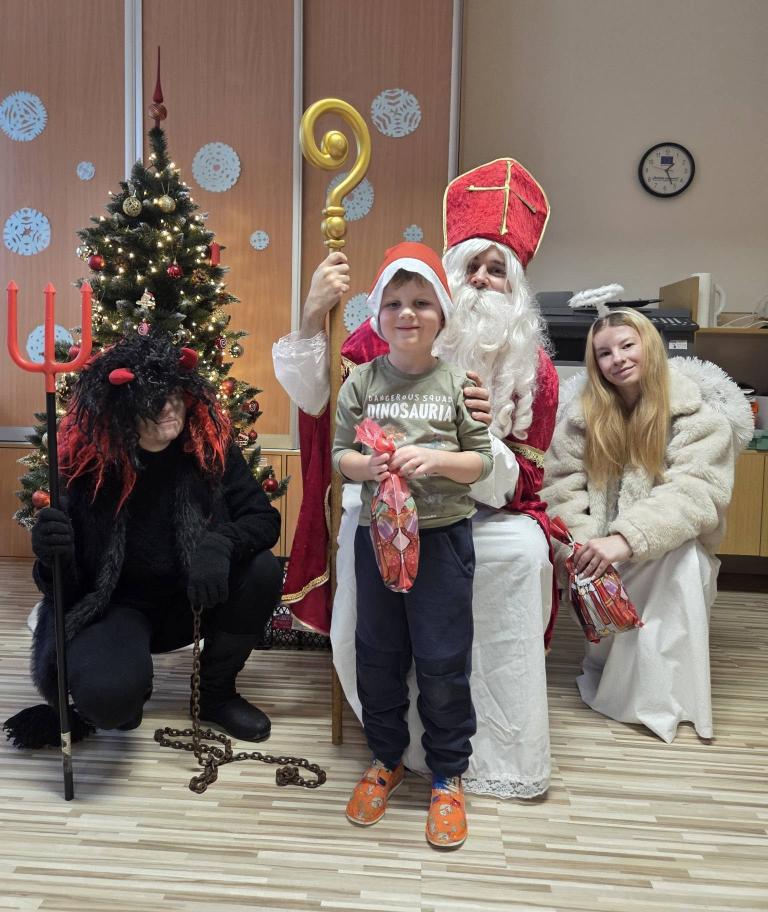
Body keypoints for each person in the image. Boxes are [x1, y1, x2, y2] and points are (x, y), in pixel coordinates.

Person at [273, 157, 560, 799]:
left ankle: (465, 762)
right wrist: (312, 314)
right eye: (473, 265)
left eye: (497, 270)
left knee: (466, 628)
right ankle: (387, 753)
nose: (482, 279)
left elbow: (518, 475)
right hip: (385, 517)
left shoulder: (532, 369)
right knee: (379, 647)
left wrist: (463, 448)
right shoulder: (381, 345)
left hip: (472, 517)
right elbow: (320, 407)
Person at [4, 334, 283, 750]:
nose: (168, 406)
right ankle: (128, 687)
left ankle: (215, 693)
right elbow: (61, 587)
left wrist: (220, 543)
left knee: (262, 570)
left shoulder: (208, 447)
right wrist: (50, 554)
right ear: (122, 409)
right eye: (151, 398)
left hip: (195, 598)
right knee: (109, 701)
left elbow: (263, 519)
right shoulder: (89, 467)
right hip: (118, 607)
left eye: (174, 394)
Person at [332, 242, 493, 848]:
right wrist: (365, 466)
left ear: (441, 314)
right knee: (377, 654)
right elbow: (341, 453)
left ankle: (448, 773)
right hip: (377, 540)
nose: (407, 313)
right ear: (377, 315)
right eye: (394, 303)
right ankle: (386, 759)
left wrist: (438, 459)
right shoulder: (360, 382)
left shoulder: (458, 383)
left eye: (422, 302)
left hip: (443, 539)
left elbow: (480, 462)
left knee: (443, 660)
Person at [541, 308, 752, 742]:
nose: (617, 358)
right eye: (604, 353)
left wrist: (628, 539)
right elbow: (560, 490)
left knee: (680, 562)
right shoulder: (581, 419)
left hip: (670, 548)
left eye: (627, 345)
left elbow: (695, 492)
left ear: (650, 346)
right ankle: (622, 682)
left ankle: (663, 698)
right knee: (613, 568)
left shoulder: (697, 415)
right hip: (599, 553)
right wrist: (583, 546)